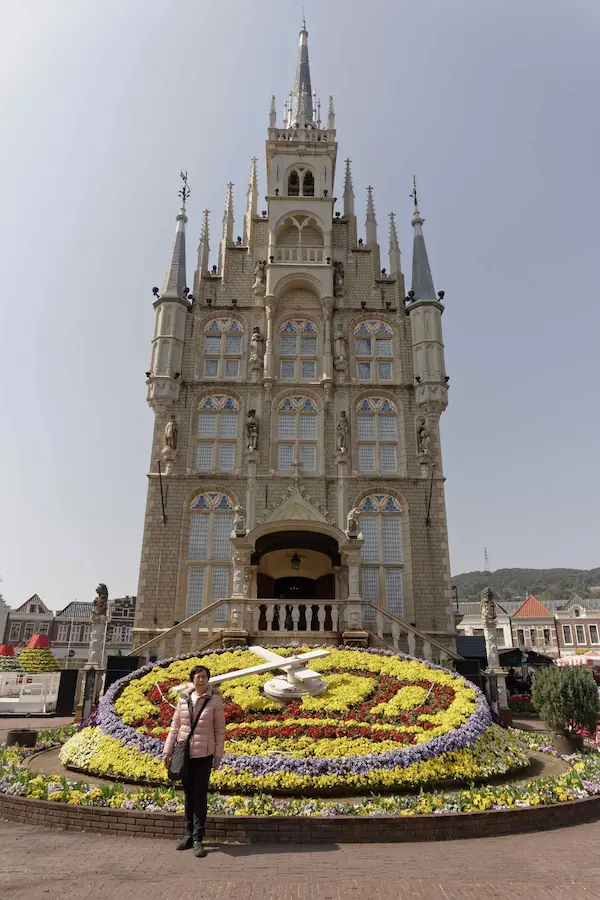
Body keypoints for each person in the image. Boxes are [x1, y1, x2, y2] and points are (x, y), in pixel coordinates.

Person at [163, 665, 226, 857]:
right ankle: (188, 835)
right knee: (189, 796)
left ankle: (199, 838)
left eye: (204, 677)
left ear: (208, 679)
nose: (201, 680)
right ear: (192, 679)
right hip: (185, 754)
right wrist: (167, 751)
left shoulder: (215, 701)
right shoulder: (183, 700)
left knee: (200, 797)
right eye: (198, 677)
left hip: (204, 755)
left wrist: (217, 755)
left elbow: (220, 730)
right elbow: (175, 727)